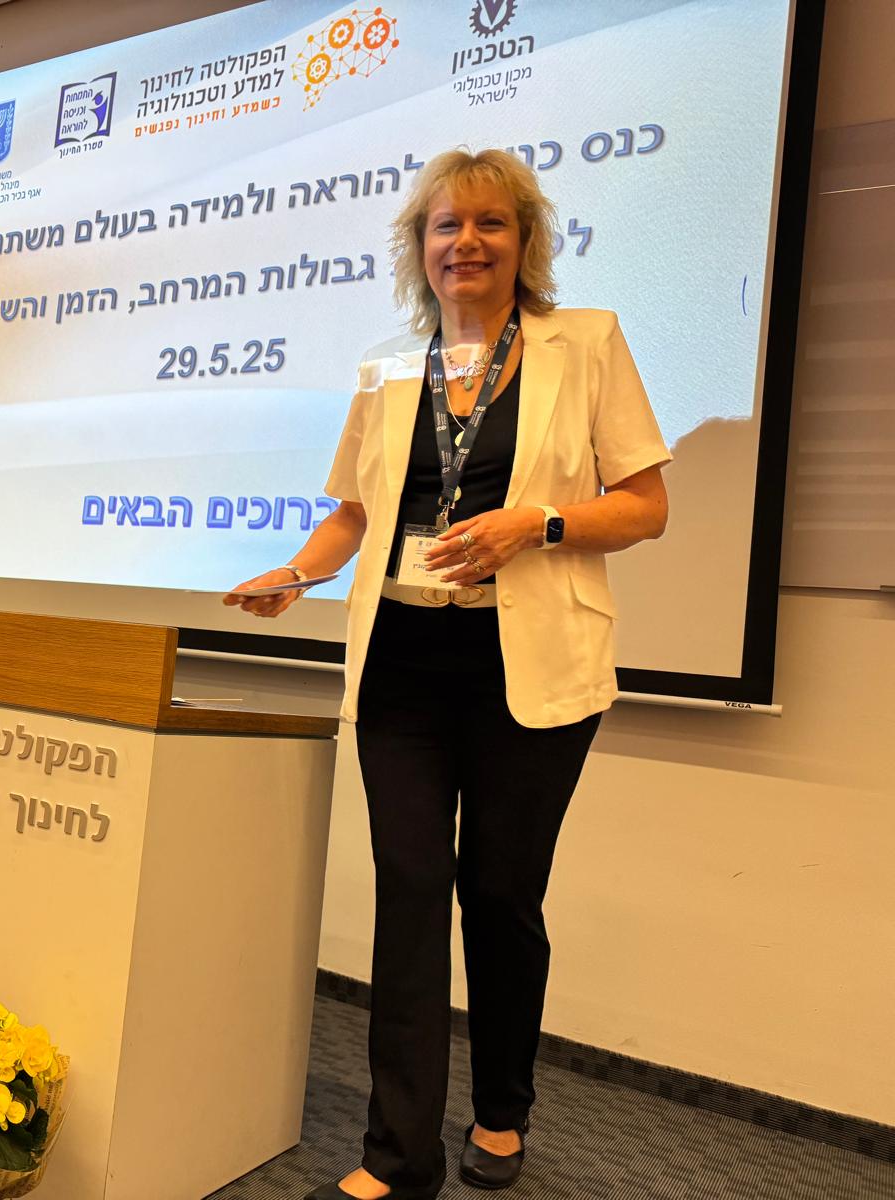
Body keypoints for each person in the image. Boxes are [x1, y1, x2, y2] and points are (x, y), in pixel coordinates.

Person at [224, 148, 671, 1199]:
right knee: (412, 889)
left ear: (526, 241)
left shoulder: (585, 343)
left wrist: (538, 524)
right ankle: (398, 1157)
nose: (465, 243)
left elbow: (645, 506)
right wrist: (297, 572)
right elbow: (354, 512)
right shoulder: (388, 367)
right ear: (417, 247)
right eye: (444, 225)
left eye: (489, 223)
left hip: (530, 666)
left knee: (501, 895)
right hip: (404, 667)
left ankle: (502, 1109)